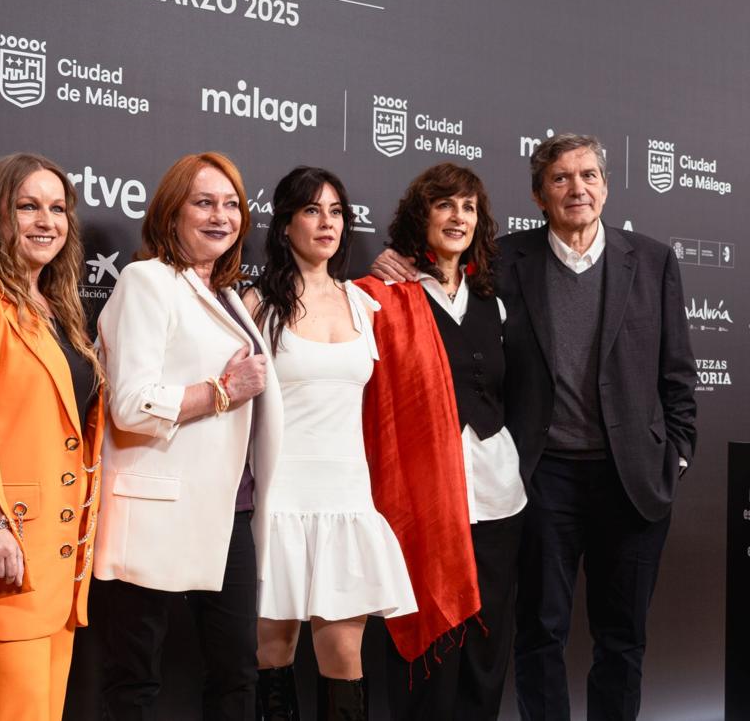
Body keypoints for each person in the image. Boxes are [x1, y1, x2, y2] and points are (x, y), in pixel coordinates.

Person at [372, 135, 697, 720]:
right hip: (543, 479)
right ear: (538, 194)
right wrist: (390, 262)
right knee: (539, 635)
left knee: (623, 639)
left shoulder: (652, 261)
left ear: (606, 185)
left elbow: (678, 375)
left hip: (633, 482)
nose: (578, 188)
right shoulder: (505, 259)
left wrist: (674, 456)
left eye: (590, 175)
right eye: (561, 178)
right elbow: (435, 284)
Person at [93, 151, 284, 720]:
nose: (220, 216)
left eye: (231, 205)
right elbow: (130, 403)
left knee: (236, 676)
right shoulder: (146, 280)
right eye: (204, 202)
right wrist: (220, 390)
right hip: (154, 511)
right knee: (134, 681)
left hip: (231, 513)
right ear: (171, 212)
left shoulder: (228, 294)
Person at [245, 166, 417, 721]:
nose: (327, 222)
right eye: (312, 210)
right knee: (274, 651)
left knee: (344, 654)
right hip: (278, 500)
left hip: (346, 498)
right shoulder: (255, 305)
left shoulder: (365, 304)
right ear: (286, 224)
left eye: (337, 211)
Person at [0, 153, 105, 721]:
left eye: (58, 208)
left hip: (59, 571)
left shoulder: (58, 307)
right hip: (6, 561)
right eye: (28, 206)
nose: (47, 221)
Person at [369, 162, 526, 720]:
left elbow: (526, 389)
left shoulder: (496, 299)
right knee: (433, 633)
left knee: (487, 642)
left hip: (497, 493)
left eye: (468, 207)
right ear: (422, 215)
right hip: (424, 496)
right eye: (444, 205)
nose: (457, 216)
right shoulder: (388, 295)